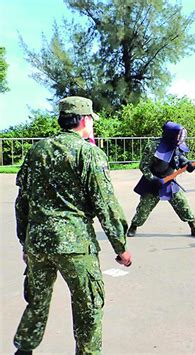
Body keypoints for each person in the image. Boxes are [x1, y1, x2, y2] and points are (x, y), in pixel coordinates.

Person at [14, 96, 131, 355]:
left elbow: (22, 200)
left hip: (38, 242)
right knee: (88, 304)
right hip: (74, 243)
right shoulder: (88, 152)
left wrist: (25, 241)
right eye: (92, 121)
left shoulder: (37, 151)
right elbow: (106, 203)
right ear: (84, 120)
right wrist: (120, 246)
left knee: (37, 300)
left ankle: (24, 350)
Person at [127, 121, 195, 238]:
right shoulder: (153, 146)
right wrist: (153, 179)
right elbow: (143, 166)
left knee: (182, 203)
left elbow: (179, 157)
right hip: (153, 182)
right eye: (178, 135)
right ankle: (133, 226)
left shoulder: (176, 144)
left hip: (169, 180)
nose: (180, 137)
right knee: (144, 208)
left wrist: (188, 164)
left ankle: (193, 226)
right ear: (171, 134)